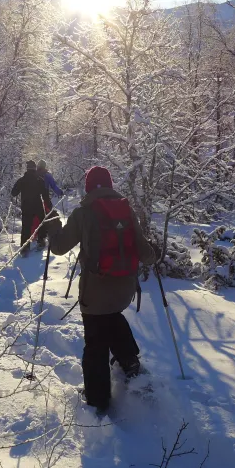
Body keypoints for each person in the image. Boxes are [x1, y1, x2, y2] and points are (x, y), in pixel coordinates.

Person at [47, 166, 157, 413]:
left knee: (95, 339)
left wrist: (53, 227)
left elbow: (59, 247)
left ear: (88, 187)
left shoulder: (83, 213)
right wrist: (153, 254)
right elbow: (145, 252)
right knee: (113, 317)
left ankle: (98, 400)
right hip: (124, 289)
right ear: (109, 184)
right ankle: (129, 362)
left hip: (95, 291)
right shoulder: (126, 209)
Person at [10, 160, 51, 256]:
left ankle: (24, 248)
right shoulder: (39, 180)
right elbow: (45, 194)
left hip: (26, 206)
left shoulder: (21, 180)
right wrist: (48, 204)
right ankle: (41, 241)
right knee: (42, 223)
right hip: (38, 206)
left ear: (27, 168)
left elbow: (13, 193)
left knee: (26, 227)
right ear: (34, 168)